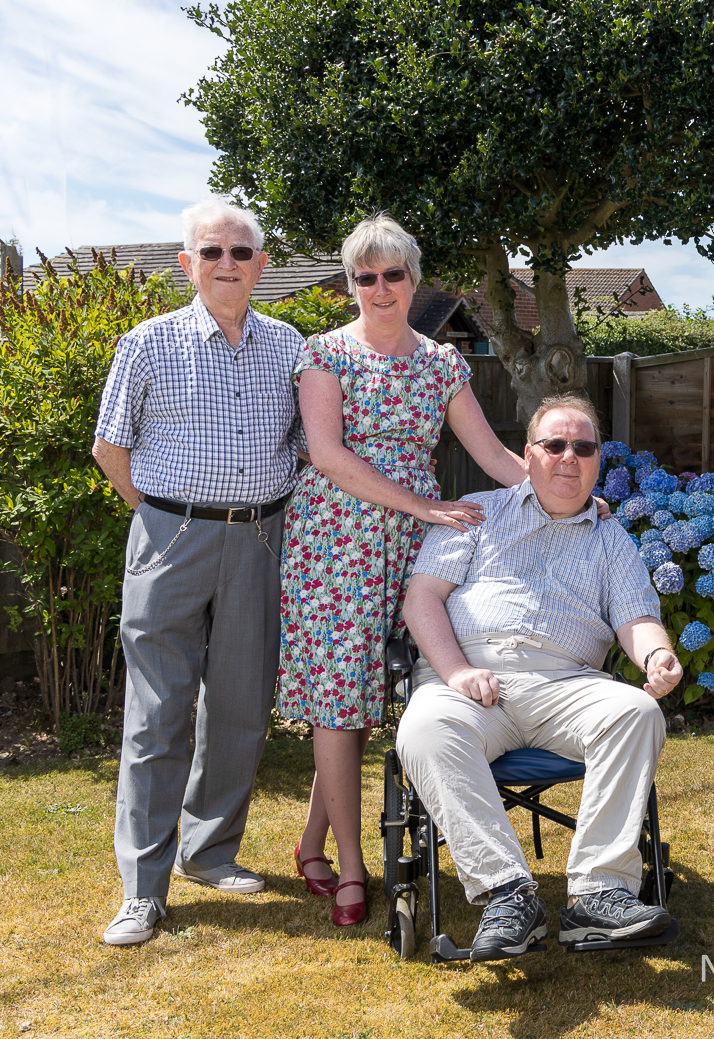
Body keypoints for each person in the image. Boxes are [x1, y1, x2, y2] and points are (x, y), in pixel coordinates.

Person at [276, 214, 530, 927]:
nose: (380, 287)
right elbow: (326, 455)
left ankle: (310, 845)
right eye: (365, 275)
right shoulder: (324, 354)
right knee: (340, 701)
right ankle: (354, 869)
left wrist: (559, 498)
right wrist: (421, 504)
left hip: (415, 546)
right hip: (336, 543)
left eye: (393, 273)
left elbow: (492, 454)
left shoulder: (443, 363)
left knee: (369, 697)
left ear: (414, 280)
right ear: (350, 283)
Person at [398, 393, 685, 961]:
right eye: (555, 445)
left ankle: (598, 897)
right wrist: (455, 672)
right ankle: (508, 894)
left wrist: (656, 656)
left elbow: (637, 618)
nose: (568, 458)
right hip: (471, 683)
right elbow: (421, 600)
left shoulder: (612, 538)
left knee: (636, 711)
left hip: (566, 684)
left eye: (583, 447)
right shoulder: (477, 512)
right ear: (528, 455)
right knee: (426, 728)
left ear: (599, 460)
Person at [92, 196, 306, 946]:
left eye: (240, 253)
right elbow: (110, 449)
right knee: (157, 716)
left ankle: (209, 853)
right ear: (186, 263)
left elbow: (316, 444)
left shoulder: (289, 346)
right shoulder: (146, 343)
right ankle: (142, 892)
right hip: (171, 536)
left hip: (258, 539)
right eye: (211, 252)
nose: (226, 265)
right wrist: (158, 517)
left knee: (243, 705)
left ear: (261, 267)